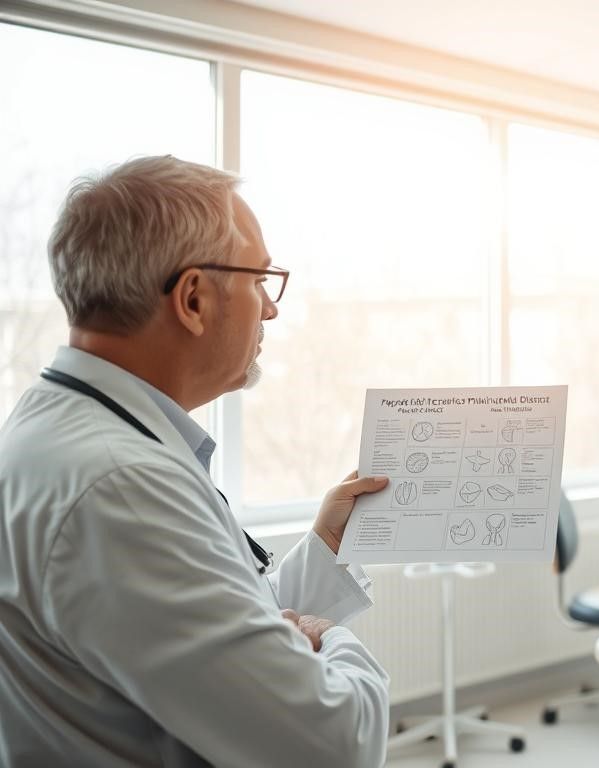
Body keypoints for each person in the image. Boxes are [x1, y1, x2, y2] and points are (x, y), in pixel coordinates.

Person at [0, 156, 391, 767]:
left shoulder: (71, 432)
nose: (270, 308)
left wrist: (324, 543)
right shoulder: (119, 485)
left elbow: (206, 635)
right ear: (192, 299)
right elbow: (332, 744)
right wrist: (329, 638)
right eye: (260, 278)